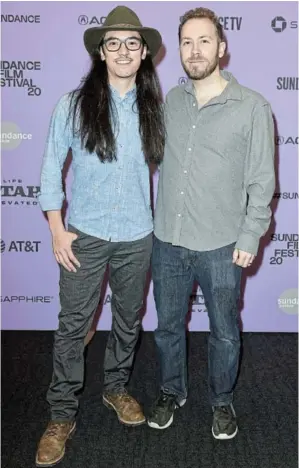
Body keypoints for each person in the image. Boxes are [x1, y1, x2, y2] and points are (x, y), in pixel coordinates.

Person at [36, 6, 164, 467]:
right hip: (84, 235)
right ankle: (61, 415)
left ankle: (116, 389)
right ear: (101, 52)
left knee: (128, 320)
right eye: (115, 43)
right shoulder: (72, 104)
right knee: (73, 327)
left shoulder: (155, 107)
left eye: (133, 43)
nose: (124, 50)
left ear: (144, 51)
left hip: (138, 236)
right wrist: (56, 228)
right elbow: (51, 168)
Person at [147, 7, 275, 440]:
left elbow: (261, 181)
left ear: (222, 47)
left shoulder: (253, 107)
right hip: (168, 240)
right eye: (186, 42)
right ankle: (171, 391)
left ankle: (221, 401)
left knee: (224, 332)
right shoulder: (170, 102)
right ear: (178, 50)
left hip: (223, 245)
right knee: (166, 326)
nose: (195, 49)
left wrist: (250, 235)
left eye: (204, 40)